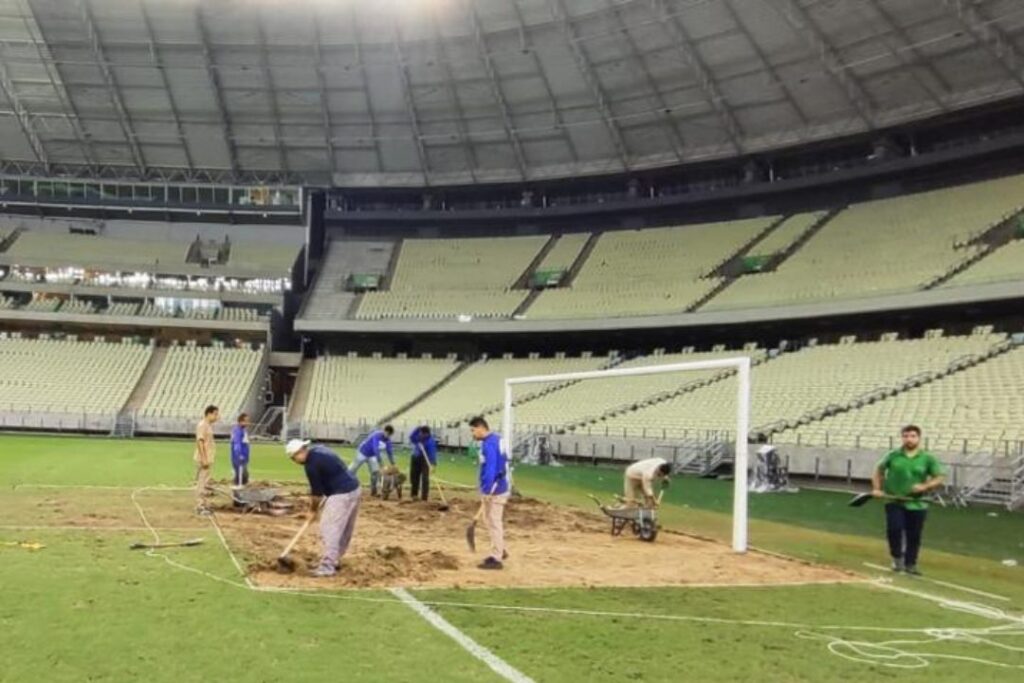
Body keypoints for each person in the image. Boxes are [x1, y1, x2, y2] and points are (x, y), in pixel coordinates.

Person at [872, 425, 944, 575]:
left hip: (917, 503)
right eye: (905, 436)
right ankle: (897, 558)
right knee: (894, 529)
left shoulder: (927, 458)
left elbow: (939, 477)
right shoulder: (893, 455)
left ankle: (911, 563)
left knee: (914, 535)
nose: (909, 439)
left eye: (912, 436)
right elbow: (878, 471)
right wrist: (877, 489)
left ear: (919, 438)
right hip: (894, 500)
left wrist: (925, 486)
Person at [285, 439, 362, 578]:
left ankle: (327, 566)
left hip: (341, 494)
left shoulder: (311, 465)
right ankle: (334, 559)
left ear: (298, 453)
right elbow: (332, 471)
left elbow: (316, 494)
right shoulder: (320, 449)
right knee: (344, 529)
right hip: (354, 488)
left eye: (293, 458)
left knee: (329, 528)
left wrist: (313, 511)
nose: (295, 461)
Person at [469, 416, 509, 570]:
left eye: (473, 430)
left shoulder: (489, 445)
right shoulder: (497, 440)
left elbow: (491, 468)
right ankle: (499, 548)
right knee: (489, 520)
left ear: (481, 428)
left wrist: (487, 490)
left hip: (495, 489)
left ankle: (497, 558)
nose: (473, 434)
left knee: (494, 521)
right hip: (497, 486)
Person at [351, 425, 395, 497]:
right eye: (387, 434)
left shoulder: (388, 440)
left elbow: (389, 452)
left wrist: (393, 464)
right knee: (352, 470)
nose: (388, 436)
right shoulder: (377, 435)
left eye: (389, 435)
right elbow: (375, 448)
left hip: (372, 456)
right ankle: (344, 486)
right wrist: (380, 461)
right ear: (384, 431)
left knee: (375, 473)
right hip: (362, 452)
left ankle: (373, 492)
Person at [194, 405, 219, 515]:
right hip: (203, 459)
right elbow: (200, 442)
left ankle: (204, 504)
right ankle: (200, 506)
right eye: (215, 414)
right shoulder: (202, 425)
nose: (217, 417)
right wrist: (204, 458)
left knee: (205, 482)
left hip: (208, 459)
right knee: (202, 482)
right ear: (209, 413)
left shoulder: (208, 426)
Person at [409, 425, 438, 501]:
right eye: (420, 433)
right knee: (414, 477)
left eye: (422, 434)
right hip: (415, 458)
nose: (421, 435)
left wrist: (433, 464)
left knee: (425, 478)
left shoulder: (430, 441)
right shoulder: (418, 437)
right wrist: (417, 428)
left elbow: (432, 453)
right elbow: (411, 437)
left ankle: (424, 498)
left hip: (425, 460)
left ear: (426, 434)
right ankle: (414, 495)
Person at [230, 413, 251, 489]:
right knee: (241, 474)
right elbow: (237, 444)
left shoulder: (243, 430)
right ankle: (237, 487)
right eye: (246, 421)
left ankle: (241, 485)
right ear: (241, 421)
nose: (248, 423)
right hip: (239, 457)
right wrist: (239, 454)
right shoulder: (237, 431)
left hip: (244, 456)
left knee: (244, 475)